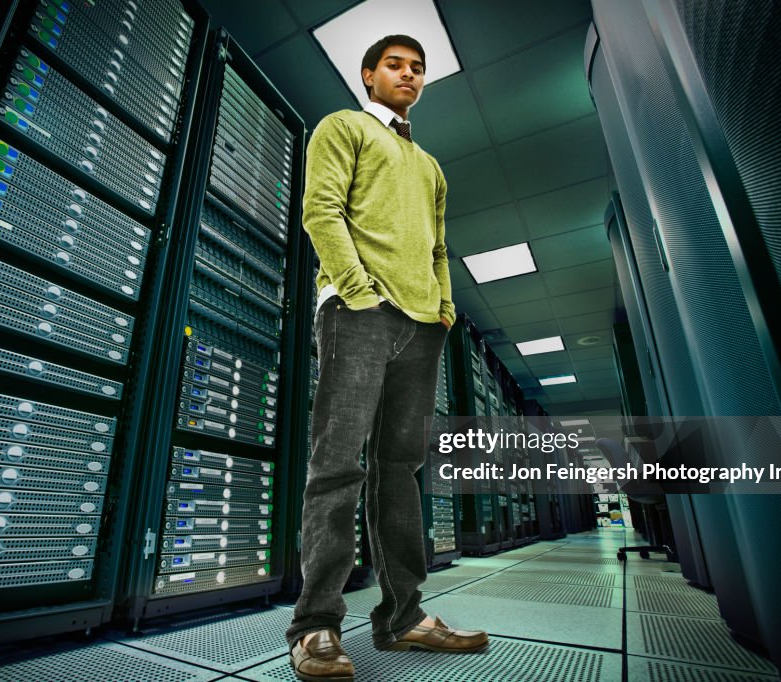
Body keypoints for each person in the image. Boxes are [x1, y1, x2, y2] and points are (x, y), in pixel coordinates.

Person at [286, 34, 489, 681]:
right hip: (358, 315)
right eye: (395, 65)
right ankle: (316, 624)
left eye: (418, 68)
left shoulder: (430, 166)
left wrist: (445, 308)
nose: (408, 75)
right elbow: (320, 211)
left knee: (399, 470)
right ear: (369, 74)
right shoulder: (343, 127)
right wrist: (359, 292)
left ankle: (403, 618)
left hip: (422, 325)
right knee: (337, 464)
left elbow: (438, 247)